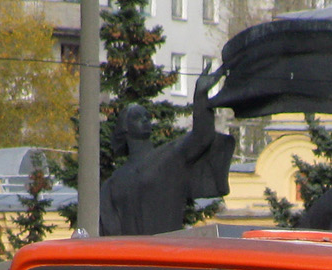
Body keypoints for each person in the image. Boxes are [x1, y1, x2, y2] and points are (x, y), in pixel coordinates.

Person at [99, 67, 235, 236]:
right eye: (138, 117)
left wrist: (200, 97)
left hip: (165, 254)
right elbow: (109, 235)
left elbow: (202, 137)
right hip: (130, 258)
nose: (145, 120)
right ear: (124, 127)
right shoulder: (112, 184)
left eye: (147, 117)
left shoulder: (168, 158)